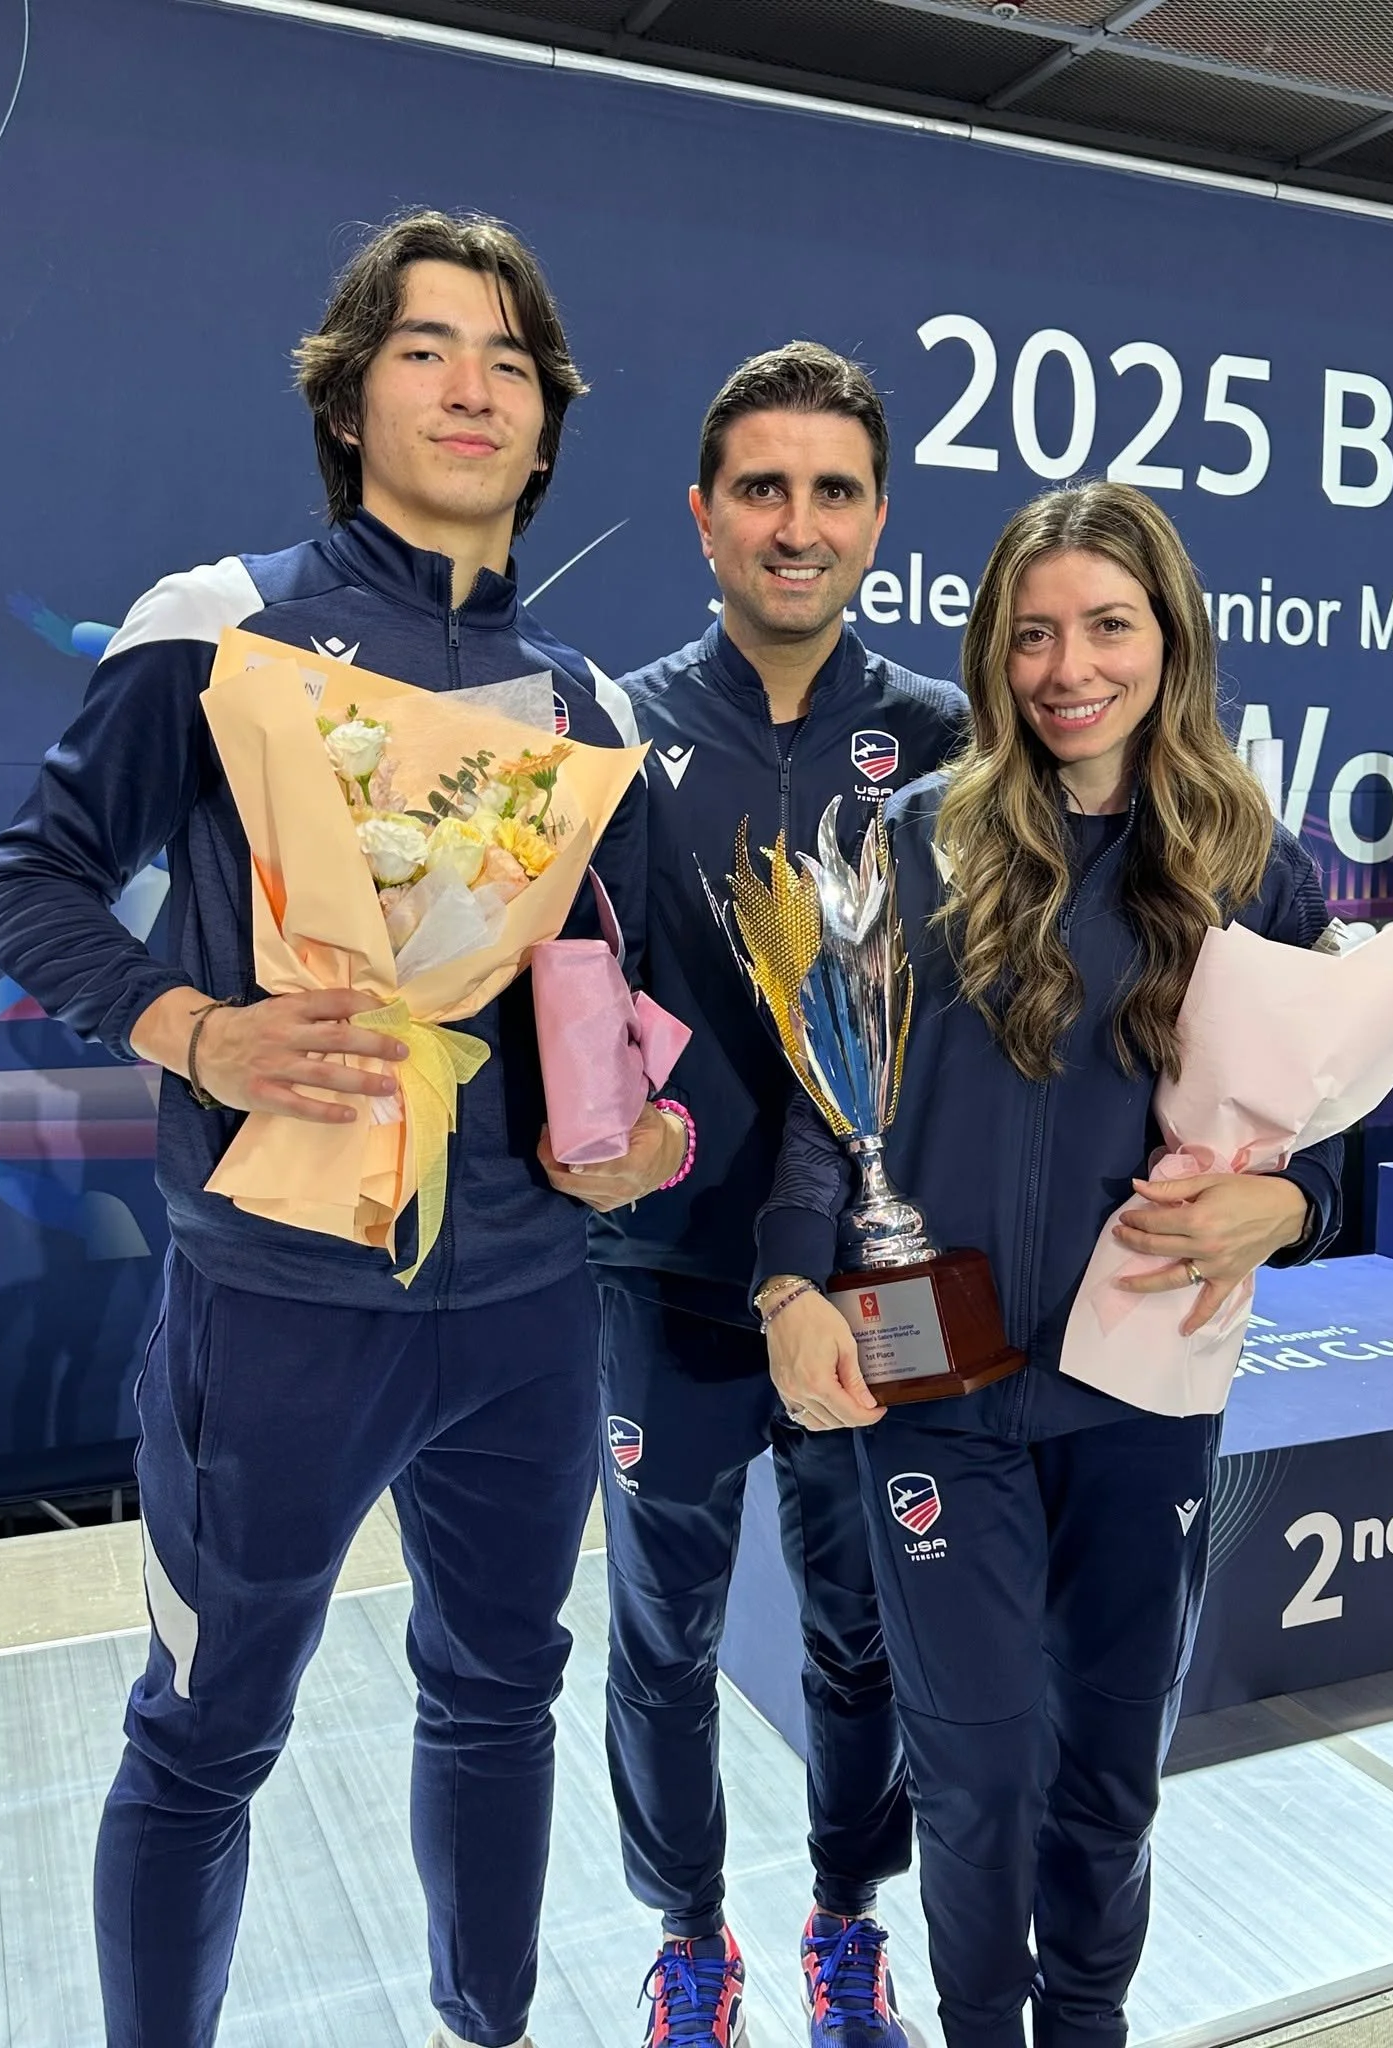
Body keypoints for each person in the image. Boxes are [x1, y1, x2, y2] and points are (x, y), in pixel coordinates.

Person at [0, 211, 682, 2048]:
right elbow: (33, 884)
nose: (473, 385)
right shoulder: (221, 628)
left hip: (527, 1316)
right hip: (272, 1315)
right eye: (428, 348)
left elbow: (629, 1027)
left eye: (511, 361)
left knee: (503, 1693)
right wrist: (197, 1026)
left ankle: (489, 2022)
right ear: (349, 401)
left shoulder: (589, 711)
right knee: (206, 1734)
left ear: (547, 427)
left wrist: (643, 1143)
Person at [751, 480, 1344, 2048]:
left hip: (1142, 1389)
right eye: (1031, 636)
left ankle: (1090, 2022)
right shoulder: (908, 843)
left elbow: (1314, 1139)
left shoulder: (1253, 867)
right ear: (990, 654)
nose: (1069, 667)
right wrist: (791, 1283)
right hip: (934, 1390)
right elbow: (832, 1111)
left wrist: (1281, 1214)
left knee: (1105, 1769)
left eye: (1107, 626)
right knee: (977, 1765)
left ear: (1172, 639)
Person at [543, 342, 968, 2047]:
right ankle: (693, 1937)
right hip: (666, 1274)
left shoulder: (944, 741)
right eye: (765, 490)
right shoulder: (616, 733)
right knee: (663, 1632)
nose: (800, 526)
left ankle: (848, 1928)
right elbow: (559, 996)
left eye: (836, 491)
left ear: (878, 520)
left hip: (883, 1276)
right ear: (706, 517)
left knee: (873, 1627)